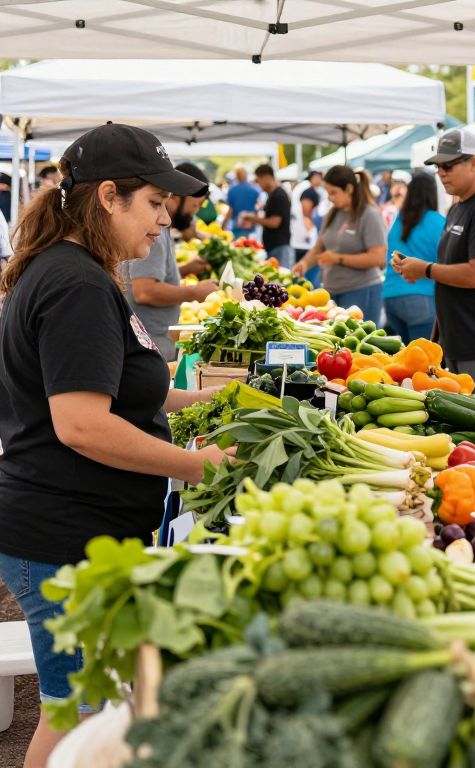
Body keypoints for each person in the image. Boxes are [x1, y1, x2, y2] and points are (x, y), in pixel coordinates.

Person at [0, 123, 230, 767]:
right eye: (154, 203)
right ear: (108, 197)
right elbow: (81, 422)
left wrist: (201, 403)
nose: (164, 222)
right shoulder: (76, 284)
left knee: (85, 706)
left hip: (72, 527)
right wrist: (196, 462)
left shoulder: (80, 272)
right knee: (74, 714)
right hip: (62, 535)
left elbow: (116, 386)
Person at [391, 129, 475, 412]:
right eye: (437, 167)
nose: (441, 173)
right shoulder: (459, 207)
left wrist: (424, 269)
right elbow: (450, 271)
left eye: (448, 165)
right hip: (458, 341)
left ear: (474, 162)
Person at [122, 162, 219, 360]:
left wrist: (184, 270)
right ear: (175, 197)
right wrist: (194, 292)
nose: (195, 213)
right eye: (195, 206)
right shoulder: (154, 234)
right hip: (149, 342)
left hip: (152, 338)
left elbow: (149, 275)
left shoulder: (161, 230)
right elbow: (144, 291)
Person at [293, 165, 387, 325]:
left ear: (349, 188)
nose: (329, 197)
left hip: (361, 291)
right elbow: (319, 248)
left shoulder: (369, 214)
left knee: (359, 346)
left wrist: (337, 258)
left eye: (333, 192)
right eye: (327, 192)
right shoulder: (332, 213)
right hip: (333, 291)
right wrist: (304, 263)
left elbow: (378, 258)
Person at [383, 172, 444, 343]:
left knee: (403, 361)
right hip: (421, 298)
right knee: (422, 362)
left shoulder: (400, 219)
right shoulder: (437, 222)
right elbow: (446, 262)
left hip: (391, 297)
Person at [242, 164, 292, 267]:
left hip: (279, 246)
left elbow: (274, 223)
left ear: (267, 177)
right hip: (273, 246)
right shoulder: (272, 195)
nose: (258, 183)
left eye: (259, 179)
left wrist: (252, 218)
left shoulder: (279, 195)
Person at [221, 165, 260, 238]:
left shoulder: (232, 191)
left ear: (236, 176)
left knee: (239, 246)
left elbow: (230, 210)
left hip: (237, 226)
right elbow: (257, 208)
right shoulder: (254, 190)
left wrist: (223, 226)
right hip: (251, 225)